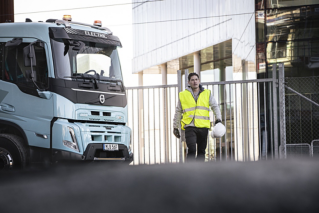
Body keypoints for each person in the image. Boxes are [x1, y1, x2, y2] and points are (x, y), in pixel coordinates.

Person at [173, 73, 222, 161]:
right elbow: (178, 111)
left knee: (201, 151)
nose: (195, 82)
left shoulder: (207, 93)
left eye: (196, 79)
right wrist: (175, 127)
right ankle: (189, 172)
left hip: (203, 127)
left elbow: (215, 106)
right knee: (191, 149)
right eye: (192, 80)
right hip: (189, 126)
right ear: (189, 82)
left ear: (199, 81)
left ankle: (199, 172)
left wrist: (218, 119)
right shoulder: (183, 95)